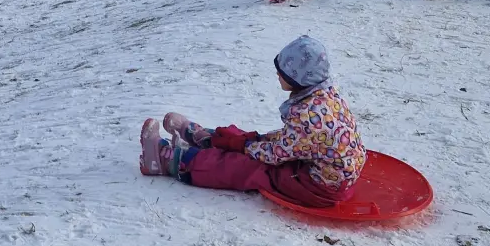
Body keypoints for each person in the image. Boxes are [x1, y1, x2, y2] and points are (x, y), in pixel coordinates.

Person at [138, 35, 366, 209]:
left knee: (249, 167)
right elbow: (295, 141)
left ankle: (170, 161)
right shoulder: (325, 96)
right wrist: (242, 140)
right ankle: (207, 139)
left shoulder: (308, 116)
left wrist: (242, 146)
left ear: (299, 78)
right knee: (254, 140)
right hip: (325, 172)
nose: (277, 75)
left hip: (317, 187)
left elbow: (274, 155)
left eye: (283, 72)